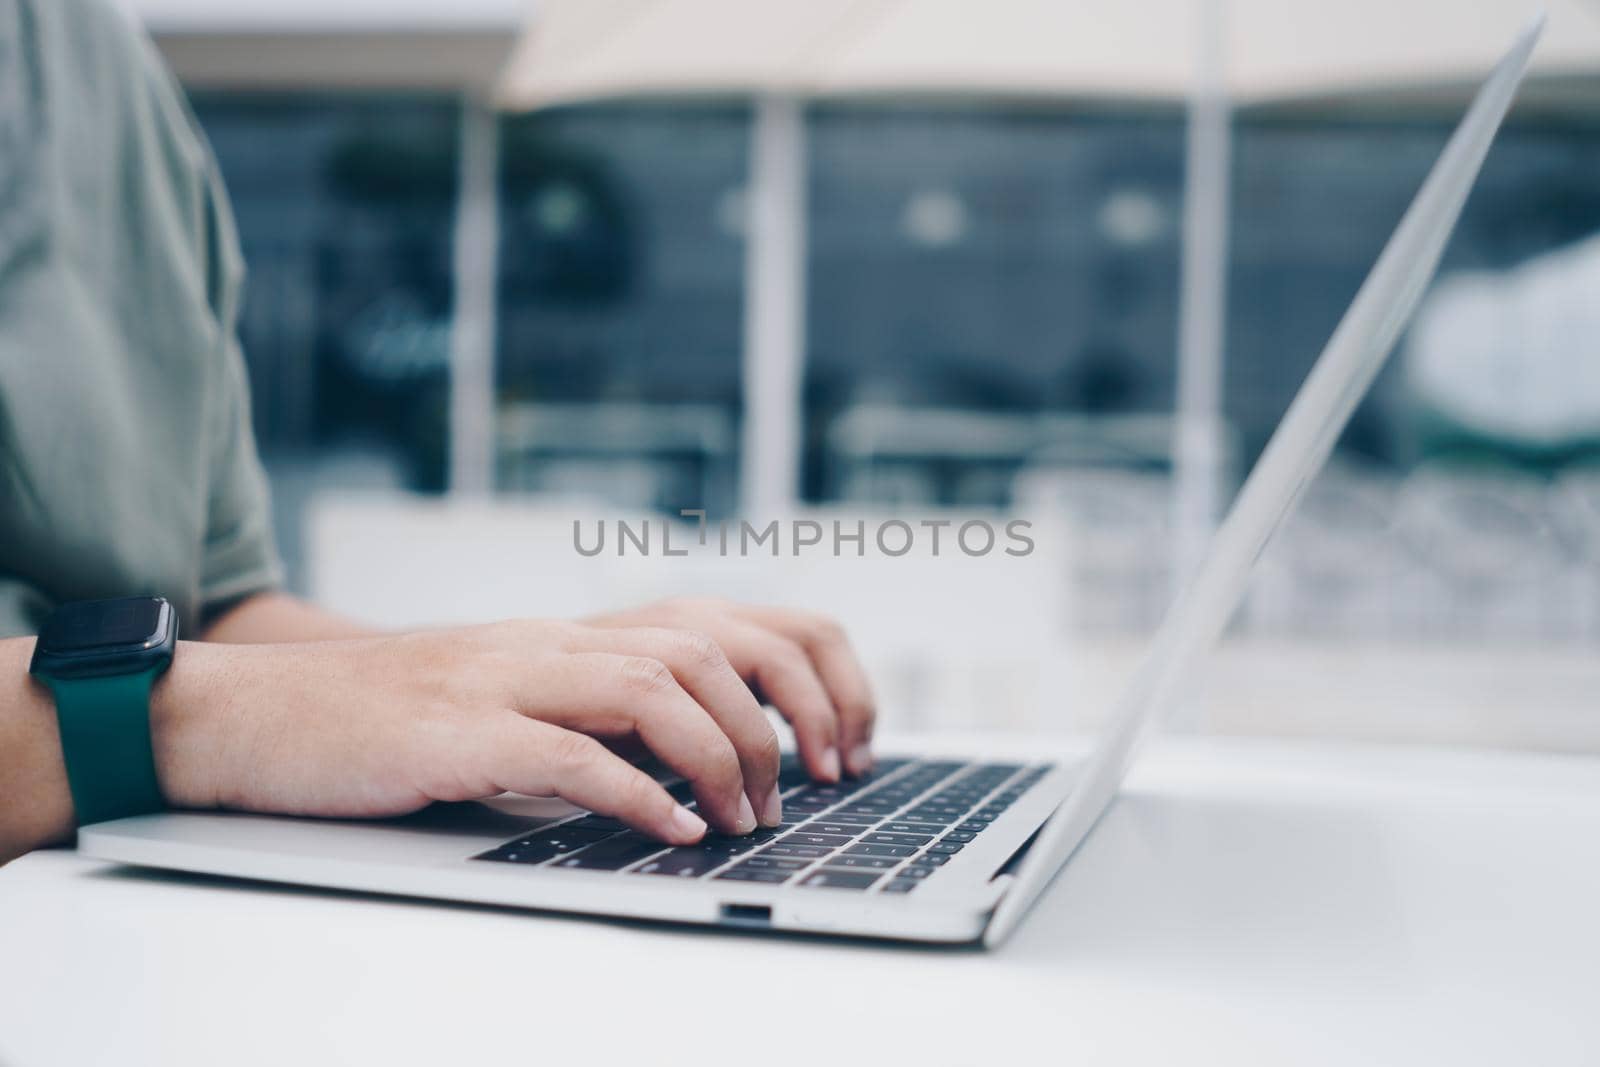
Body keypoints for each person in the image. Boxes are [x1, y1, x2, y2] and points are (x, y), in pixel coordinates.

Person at [0, 0, 874, 867]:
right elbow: (219, 700)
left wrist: (540, 678)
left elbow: (216, 610)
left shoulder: (107, 62)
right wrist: (186, 719)